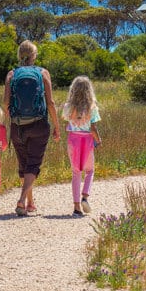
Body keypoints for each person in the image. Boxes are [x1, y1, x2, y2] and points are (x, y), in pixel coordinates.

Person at [3, 40, 61, 216]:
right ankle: (22, 200)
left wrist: (10, 123)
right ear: (34, 55)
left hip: (17, 126)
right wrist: (57, 126)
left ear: (20, 55)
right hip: (38, 124)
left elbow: (5, 103)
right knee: (33, 164)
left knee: (24, 165)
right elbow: (50, 103)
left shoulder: (11, 74)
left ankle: (31, 203)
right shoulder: (43, 73)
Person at [62, 76, 102, 216]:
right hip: (87, 141)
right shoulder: (92, 107)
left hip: (73, 140)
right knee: (90, 170)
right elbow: (93, 127)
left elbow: (66, 119)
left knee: (76, 172)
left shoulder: (68, 107)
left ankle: (76, 207)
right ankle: (85, 196)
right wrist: (99, 140)